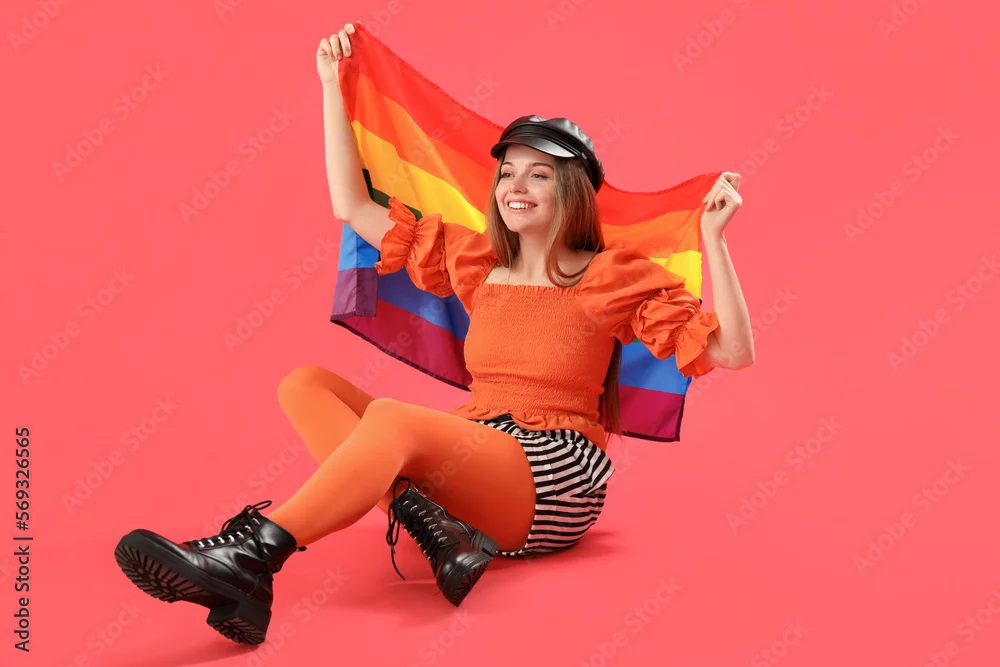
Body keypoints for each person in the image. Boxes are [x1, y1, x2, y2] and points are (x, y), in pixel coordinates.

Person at [112, 22, 755, 647]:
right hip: (480, 446)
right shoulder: (479, 263)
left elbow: (732, 352)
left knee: (391, 420)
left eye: (538, 174)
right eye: (508, 173)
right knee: (304, 384)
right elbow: (353, 208)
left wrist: (714, 241)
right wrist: (332, 87)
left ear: (574, 190)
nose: (516, 187)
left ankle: (254, 557)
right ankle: (436, 529)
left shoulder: (608, 275)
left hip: (553, 476)